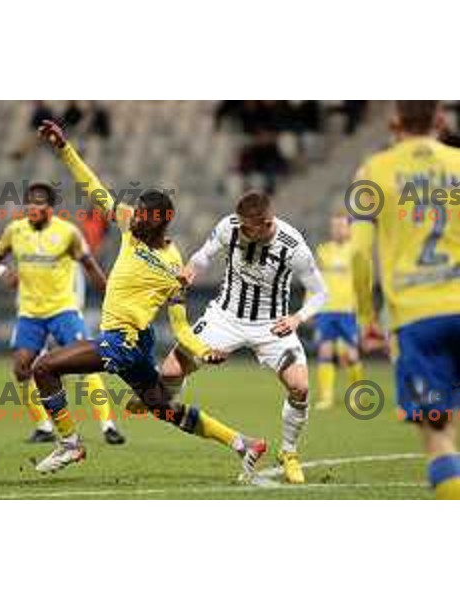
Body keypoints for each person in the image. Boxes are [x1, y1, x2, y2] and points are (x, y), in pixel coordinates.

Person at [30, 119, 267, 475]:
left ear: (160, 223)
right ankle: (241, 443)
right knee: (159, 406)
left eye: (143, 215)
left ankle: (69, 445)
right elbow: (93, 188)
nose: (134, 217)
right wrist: (64, 149)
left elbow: (181, 326)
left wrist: (203, 352)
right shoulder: (130, 225)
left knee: (43, 367)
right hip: (134, 342)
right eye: (137, 211)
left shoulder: (173, 267)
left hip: (124, 341)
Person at [159, 191, 328, 484]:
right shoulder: (230, 227)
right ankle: (163, 402)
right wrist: (190, 271)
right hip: (225, 317)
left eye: (248, 227)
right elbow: (203, 255)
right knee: (169, 371)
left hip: (271, 325)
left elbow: (321, 291)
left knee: (300, 387)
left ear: (266, 223)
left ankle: (289, 453)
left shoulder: (293, 245)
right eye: (240, 225)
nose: (242, 231)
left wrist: (297, 318)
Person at [351, 100, 460, 499]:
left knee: (439, 436)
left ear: (394, 122)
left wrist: (366, 317)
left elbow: (360, 254)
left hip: (418, 322)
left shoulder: (373, 172)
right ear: (440, 120)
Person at [0, 181, 125, 445]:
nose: (33, 206)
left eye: (39, 201)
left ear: (50, 208)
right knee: (21, 368)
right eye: (29, 200)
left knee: (86, 363)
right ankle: (44, 427)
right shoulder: (14, 231)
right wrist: (4, 272)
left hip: (63, 309)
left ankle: (108, 426)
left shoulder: (67, 232)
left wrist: (108, 292)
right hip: (30, 312)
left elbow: (88, 263)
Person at [314, 211, 363, 410]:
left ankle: (357, 395)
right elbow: (314, 281)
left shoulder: (356, 252)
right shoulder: (323, 251)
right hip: (326, 310)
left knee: (351, 355)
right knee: (325, 351)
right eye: (334, 226)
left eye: (341, 226)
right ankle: (326, 397)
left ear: (349, 228)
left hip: (348, 310)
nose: (337, 230)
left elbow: (363, 283)